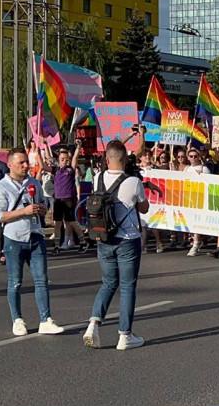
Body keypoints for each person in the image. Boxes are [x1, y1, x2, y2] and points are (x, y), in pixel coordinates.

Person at [0, 148, 64, 337]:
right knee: (15, 281)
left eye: (26, 162)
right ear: (10, 165)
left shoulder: (34, 183)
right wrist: (24, 211)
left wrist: (41, 209)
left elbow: (42, 204)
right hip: (14, 238)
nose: (26, 166)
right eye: (21, 163)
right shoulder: (1, 187)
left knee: (42, 280)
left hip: (35, 235)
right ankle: (17, 319)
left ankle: (45, 319)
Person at [84, 140, 149, 351]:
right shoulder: (133, 181)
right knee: (128, 286)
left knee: (108, 283)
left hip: (103, 237)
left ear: (107, 159)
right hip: (127, 239)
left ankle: (94, 323)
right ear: (125, 159)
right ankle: (125, 335)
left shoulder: (97, 179)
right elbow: (144, 207)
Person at [51, 146, 83, 251]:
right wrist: (43, 147)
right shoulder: (55, 170)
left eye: (66, 159)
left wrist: (78, 147)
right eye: (62, 159)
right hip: (58, 200)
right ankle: (57, 245)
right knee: (58, 223)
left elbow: (75, 158)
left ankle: (82, 241)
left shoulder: (70, 170)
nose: (65, 161)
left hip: (68, 200)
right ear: (58, 160)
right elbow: (45, 161)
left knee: (72, 222)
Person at [181, 147, 211, 256]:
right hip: (189, 198)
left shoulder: (204, 168)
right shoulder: (187, 169)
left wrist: (201, 178)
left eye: (195, 156)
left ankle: (196, 243)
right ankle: (198, 241)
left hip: (200, 198)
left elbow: (209, 183)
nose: (193, 158)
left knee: (198, 222)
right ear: (188, 158)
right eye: (191, 156)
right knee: (192, 222)